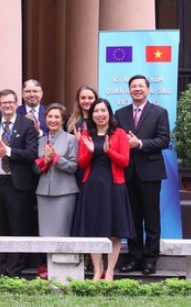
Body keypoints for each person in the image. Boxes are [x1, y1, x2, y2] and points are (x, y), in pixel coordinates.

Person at [73, 98, 135, 280]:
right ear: (91, 115)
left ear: (109, 113)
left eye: (103, 111)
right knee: (94, 229)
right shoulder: (86, 134)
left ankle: (110, 271)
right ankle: (97, 269)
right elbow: (81, 163)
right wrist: (90, 151)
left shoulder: (120, 134)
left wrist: (109, 152)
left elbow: (124, 161)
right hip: (92, 186)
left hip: (114, 186)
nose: (100, 115)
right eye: (96, 112)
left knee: (114, 232)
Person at [115, 75, 170, 276]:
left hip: (150, 172)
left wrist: (140, 143)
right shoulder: (120, 114)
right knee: (132, 218)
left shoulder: (159, 113)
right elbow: (116, 139)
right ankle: (134, 257)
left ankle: (151, 258)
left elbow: (164, 140)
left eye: (140, 86)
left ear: (148, 89)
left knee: (151, 217)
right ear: (129, 90)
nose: (137, 89)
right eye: (133, 86)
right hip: (127, 172)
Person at [0, 89, 38, 277]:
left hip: (17, 184)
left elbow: (31, 153)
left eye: (10, 102)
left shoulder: (27, 125)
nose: (7, 106)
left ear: (16, 104)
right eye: (3, 103)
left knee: (18, 226)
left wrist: (8, 151)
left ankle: (15, 268)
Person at [33, 103, 78, 237]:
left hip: (64, 192)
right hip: (43, 192)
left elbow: (73, 166)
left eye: (57, 117)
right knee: (45, 233)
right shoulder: (40, 141)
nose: (53, 120)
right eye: (50, 116)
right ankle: (47, 259)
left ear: (63, 120)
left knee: (61, 232)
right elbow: (35, 169)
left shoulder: (71, 139)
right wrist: (45, 161)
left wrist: (56, 159)